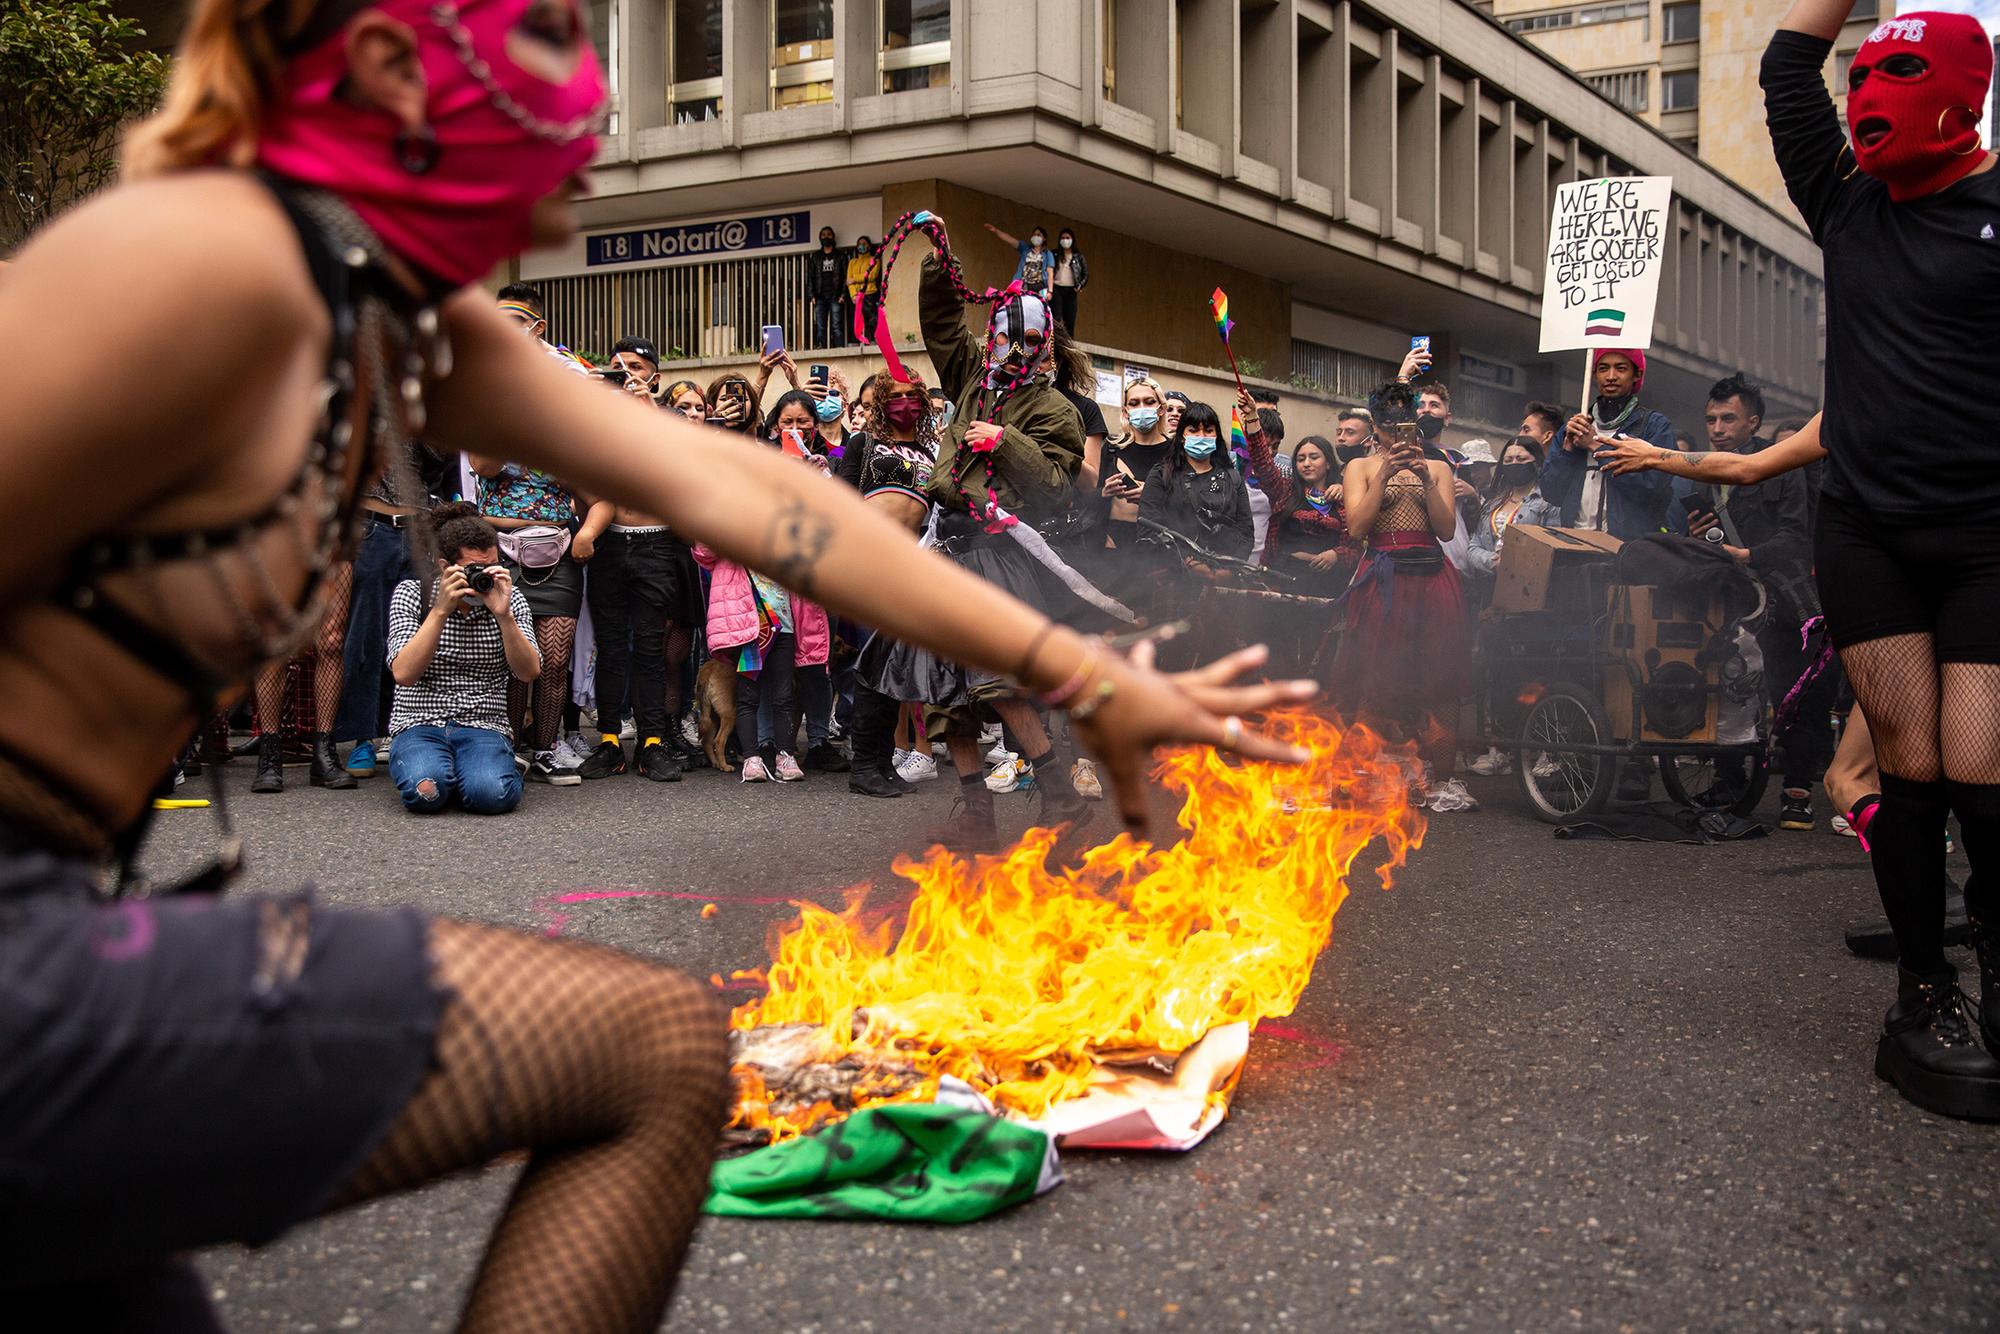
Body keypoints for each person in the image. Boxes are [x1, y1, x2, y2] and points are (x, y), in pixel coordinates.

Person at [0, 2, 1309, 1322]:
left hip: (60, 896)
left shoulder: (390, 317)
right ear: (393, 65)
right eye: (547, 31)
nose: (593, 87)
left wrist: (1076, 672)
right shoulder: (190, 264)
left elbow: (745, 492)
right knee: (654, 1052)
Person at [866, 219, 1097, 848]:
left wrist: (1006, 440)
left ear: (1046, 347)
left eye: (1029, 342)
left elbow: (1056, 488)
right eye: (1005, 339)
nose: (1015, 352)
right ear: (991, 338)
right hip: (945, 549)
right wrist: (939, 256)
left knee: (996, 679)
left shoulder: (1055, 410)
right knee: (943, 691)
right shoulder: (970, 375)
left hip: (998, 554)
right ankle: (977, 815)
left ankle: (1060, 796)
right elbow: (942, 324)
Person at [1666, 373, 1829, 830]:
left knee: (1793, 693)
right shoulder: (1703, 469)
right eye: (1711, 419)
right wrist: (1697, 535)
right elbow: (1690, 536)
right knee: (1726, 690)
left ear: (1752, 423)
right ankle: (1729, 779)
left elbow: (1797, 536)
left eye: (1728, 419)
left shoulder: (1782, 466)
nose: (1717, 428)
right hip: (1729, 598)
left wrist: (1750, 554)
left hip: (1784, 598)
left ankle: (1797, 791)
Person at [1336, 384, 1473, 806]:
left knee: (1441, 674)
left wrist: (1425, 477)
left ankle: (1441, 777)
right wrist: (1384, 474)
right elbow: (1357, 528)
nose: (1397, 433)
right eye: (1389, 425)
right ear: (1375, 427)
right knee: (1376, 673)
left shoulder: (1439, 467)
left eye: (1405, 424)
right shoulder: (1359, 466)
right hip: (1383, 574)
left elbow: (1446, 530)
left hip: (1433, 574)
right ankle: (1364, 772)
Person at [386, 502, 540, 814]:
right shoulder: (412, 594)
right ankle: (465, 772)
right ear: (445, 566)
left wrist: (504, 616)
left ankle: (485, 772)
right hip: (418, 721)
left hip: (484, 723)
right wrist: (440, 611)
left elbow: (528, 672)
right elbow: (404, 673)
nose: (484, 576)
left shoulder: (509, 598)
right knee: (427, 794)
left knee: (491, 795)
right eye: (474, 569)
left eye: (492, 566)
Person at [468, 423, 594, 787]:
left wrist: (586, 533)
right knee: (510, 660)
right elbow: (484, 465)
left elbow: (598, 498)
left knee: (554, 661)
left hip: (558, 556)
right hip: (501, 551)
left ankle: (544, 749)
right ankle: (506, 748)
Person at [836, 375, 941, 797]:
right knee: (870, 662)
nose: (904, 402)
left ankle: (882, 762)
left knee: (893, 665)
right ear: (880, 403)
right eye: (894, 396)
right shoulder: (864, 444)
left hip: (910, 565)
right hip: (869, 561)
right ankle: (864, 765)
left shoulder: (931, 452)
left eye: (911, 395)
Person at [1540, 349, 1678, 538]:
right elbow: (1551, 493)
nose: (1611, 377)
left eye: (1621, 368)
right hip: (1574, 542)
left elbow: (1652, 488)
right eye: (1603, 368)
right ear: (1594, 374)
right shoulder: (1574, 428)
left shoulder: (1654, 426)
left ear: (1637, 374)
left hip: (1628, 546)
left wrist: (1597, 448)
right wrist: (1567, 451)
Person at [249, 567, 357, 793]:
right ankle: (269, 754)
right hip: (277, 546)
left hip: (332, 546)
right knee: (274, 638)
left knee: (332, 640)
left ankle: (324, 754)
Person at [1139, 401, 1254, 587]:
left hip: (1223, 584)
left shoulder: (1233, 478)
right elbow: (1148, 528)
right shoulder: (1161, 475)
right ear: (1182, 436)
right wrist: (1190, 564)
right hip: (1173, 582)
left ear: (1217, 436)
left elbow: (1246, 532)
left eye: (1208, 430)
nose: (1201, 436)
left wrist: (1228, 571)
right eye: (1193, 430)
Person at [1241, 408, 1351, 597]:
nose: (1306, 463)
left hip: (1328, 586)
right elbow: (1262, 462)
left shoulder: (1343, 498)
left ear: (1328, 463)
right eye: (1301, 459)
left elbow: (1356, 547)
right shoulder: (1284, 490)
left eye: (1314, 457)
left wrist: (1336, 555)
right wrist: (1252, 418)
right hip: (1282, 580)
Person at [1465, 435, 1560, 585]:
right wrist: (1493, 561)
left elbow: (1553, 548)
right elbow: (1473, 547)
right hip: (1487, 584)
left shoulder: (1548, 503)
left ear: (1537, 463)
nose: (1514, 464)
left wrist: (1515, 562)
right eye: (1508, 460)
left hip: (1527, 585)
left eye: (1521, 459)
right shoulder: (1492, 503)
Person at [984, 220, 1055, 300]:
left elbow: (1050, 273)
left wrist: (1050, 291)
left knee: (1037, 306)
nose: (1036, 236)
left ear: (1044, 238)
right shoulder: (1025, 248)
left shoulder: (1047, 254)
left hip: (1039, 287)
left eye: (1039, 235)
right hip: (1022, 286)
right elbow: (1010, 240)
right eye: (1034, 234)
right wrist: (996, 231)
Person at [808, 224, 846, 348]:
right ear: (820, 237)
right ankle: (821, 349)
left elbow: (845, 276)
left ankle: (839, 349)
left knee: (836, 325)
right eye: (823, 235)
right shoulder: (816, 257)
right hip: (820, 296)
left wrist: (843, 294)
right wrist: (811, 295)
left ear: (833, 237)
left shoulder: (840, 256)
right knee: (820, 326)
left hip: (836, 295)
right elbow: (811, 277)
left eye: (829, 234)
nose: (826, 237)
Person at [1050, 226, 1088, 333]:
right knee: (1056, 317)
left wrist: (1080, 286)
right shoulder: (1054, 254)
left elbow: (1085, 274)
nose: (1065, 240)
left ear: (1072, 240)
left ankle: (1068, 341)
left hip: (1071, 290)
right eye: (1062, 238)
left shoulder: (1078, 257)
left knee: (1070, 319)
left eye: (1067, 238)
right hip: (1056, 288)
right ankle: (1055, 340)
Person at [845, 236, 882, 337]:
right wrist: (853, 295)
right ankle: (859, 340)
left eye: (864, 243)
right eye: (859, 244)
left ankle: (873, 339)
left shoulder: (874, 260)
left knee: (871, 320)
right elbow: (848, 281)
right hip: (856, 296)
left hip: (869, 293)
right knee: (857, 321)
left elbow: (871, 276)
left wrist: (854, 279)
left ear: (869, 246)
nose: (862, 246)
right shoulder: (852, 262)